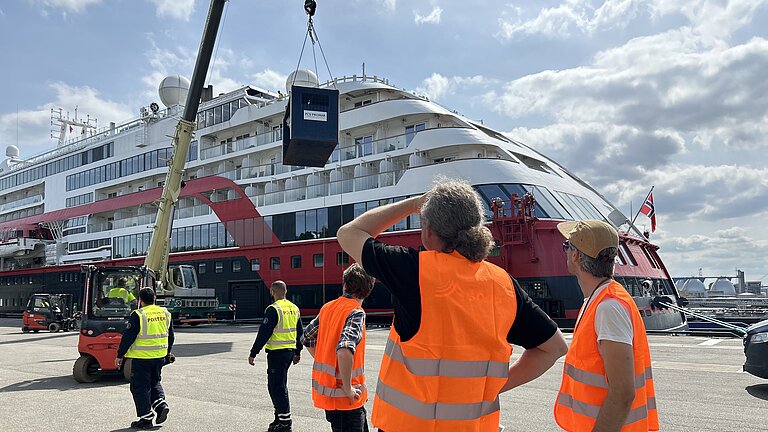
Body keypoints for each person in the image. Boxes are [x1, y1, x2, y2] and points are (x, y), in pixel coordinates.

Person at [336, 179, 568, 432]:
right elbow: (554, 348)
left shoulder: (414, 271)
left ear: (428, 231)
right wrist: (493, 386)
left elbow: (348, 233)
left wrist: (414, 204)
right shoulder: (502, 283)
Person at [554, 220, 659, 432]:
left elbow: (622, 392)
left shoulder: (608, 307)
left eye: (567, 246)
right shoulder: (599, 300)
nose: (565, 252)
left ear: (576, 256)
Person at [302, 263, 375, 432]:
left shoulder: (327, 308)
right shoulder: (356, 312)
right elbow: (344, 350)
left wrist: (325, 356)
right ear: (368, 289)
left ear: (344, 284)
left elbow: (307, 337)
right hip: (346, 399)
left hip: (334, 398)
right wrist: (348, 388)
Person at [248, 281, 304, 432]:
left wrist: (253, 352)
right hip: (289, 353)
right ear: (285, 291)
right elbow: (300, 332)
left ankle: (285, 423)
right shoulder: (294, 308)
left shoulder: (273, 309)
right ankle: (279, 417)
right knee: (276, 386)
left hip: (277, 353)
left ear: (273, 292)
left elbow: (264, 333)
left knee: (277, 387)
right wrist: (298, 351)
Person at [116, 287, 174, 430]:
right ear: (154, 298)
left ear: (140, 300)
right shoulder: (165, 313)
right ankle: (161, 406)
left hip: (142, 358)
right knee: (155, 382)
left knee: (139, 387)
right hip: (159, 356)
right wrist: (168, 353)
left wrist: (119, 355)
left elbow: (128, 337)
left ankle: (146, 418)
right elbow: (171, 336)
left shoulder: (138, 315)